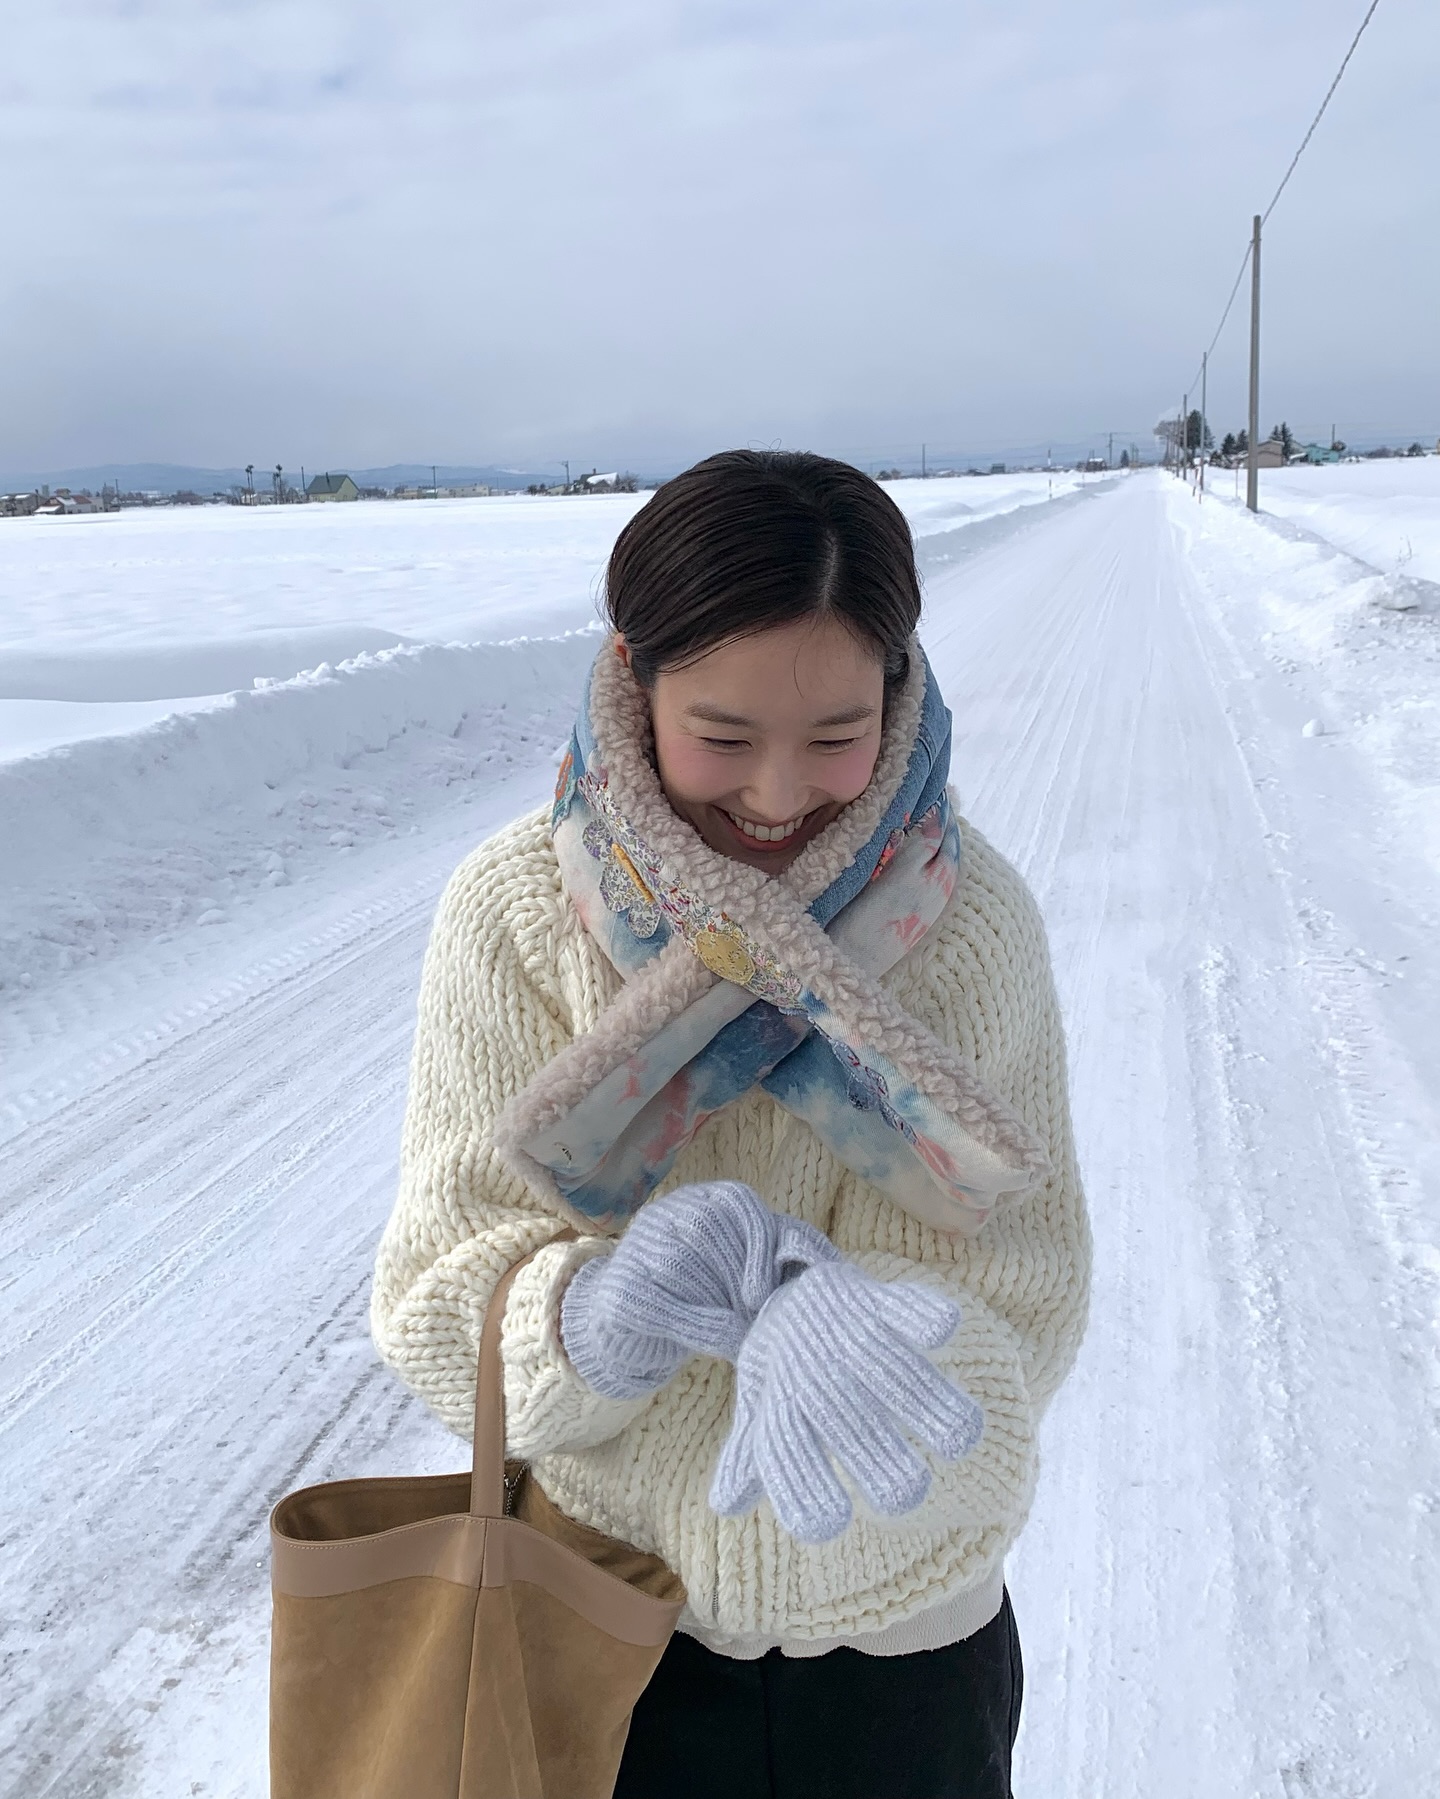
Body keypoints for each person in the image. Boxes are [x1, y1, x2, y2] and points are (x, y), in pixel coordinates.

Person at [372, 449, 1091, 1798]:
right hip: (601, 1628)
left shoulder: (964, 925)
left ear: (898, 690)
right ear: (633, 682)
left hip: (909, 1655)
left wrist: (890, 1350)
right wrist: (600, 1312)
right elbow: (433, 1291)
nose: (773, 796)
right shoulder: (522, 912)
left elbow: (1029, 1299)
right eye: (722, 735)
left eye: (834, 739)